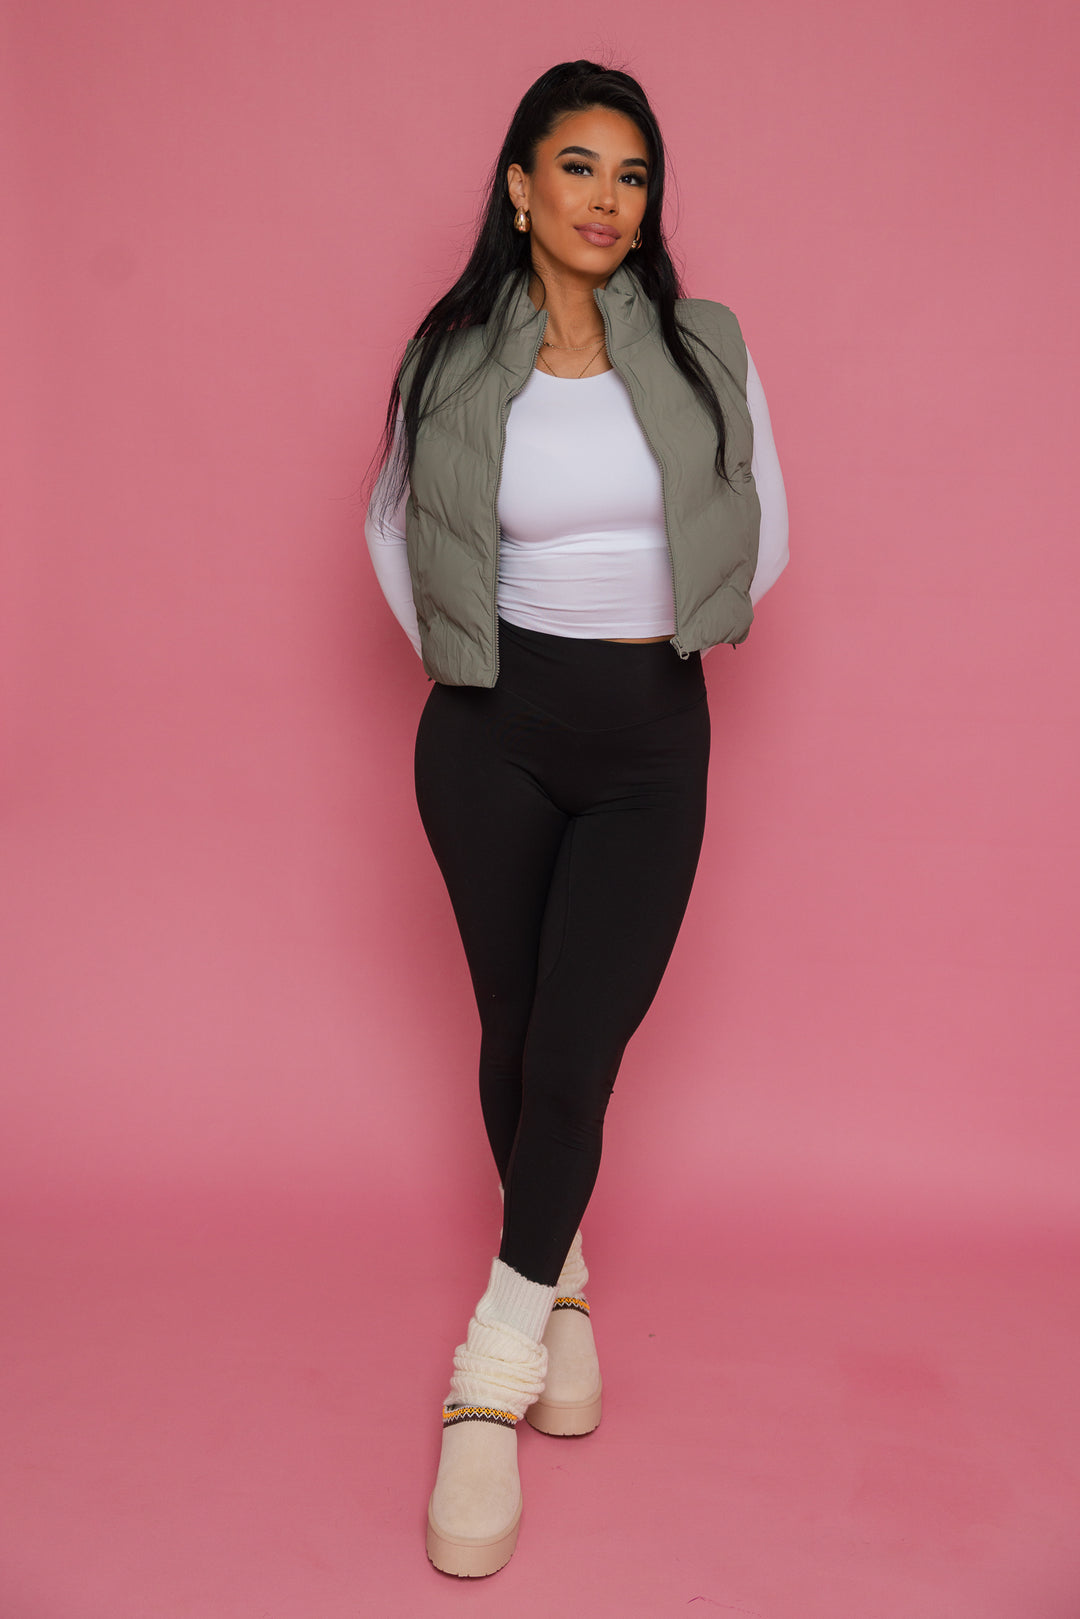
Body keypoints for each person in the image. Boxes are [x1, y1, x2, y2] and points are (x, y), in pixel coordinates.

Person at [362, 59, 789, 1578]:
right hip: (491, 731)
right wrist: (471, 662)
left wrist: (666, 632)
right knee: (515, 1029)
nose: (610, 200)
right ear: (521, 187)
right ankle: (563, 1287)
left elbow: (764, 522)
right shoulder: (452, 353)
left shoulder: (705, 344)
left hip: (651, 735)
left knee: (574, 1051)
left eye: (634, 174)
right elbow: (394, 526)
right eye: (581, 168)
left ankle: (490, 1368)